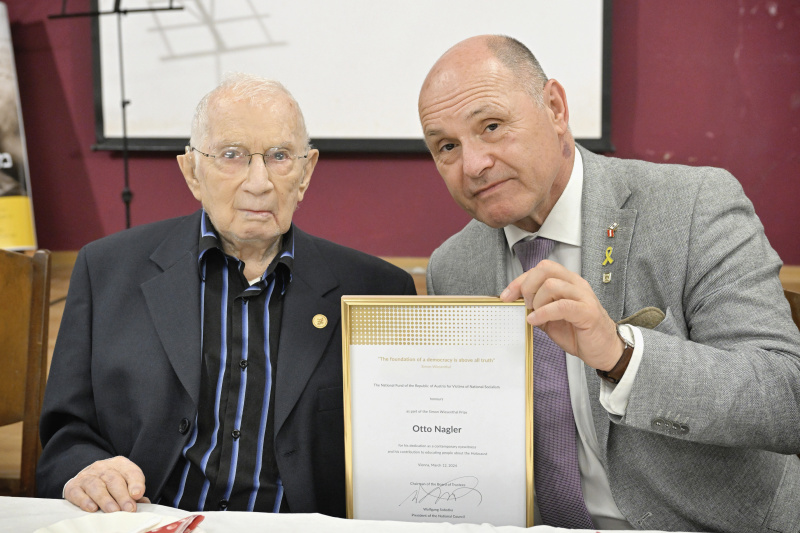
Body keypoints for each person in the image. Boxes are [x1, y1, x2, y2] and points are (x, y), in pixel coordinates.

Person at [418, 35, 800, 532]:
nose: (473, 165)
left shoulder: (694, 206)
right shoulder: (453, 266)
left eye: (491, 126)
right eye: (447, 146)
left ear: (555, 107)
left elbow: (786, 399)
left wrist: (621, 356)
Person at [37, 73, 416, 517]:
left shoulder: (376, 291)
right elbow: (66, 431)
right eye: (231, 156)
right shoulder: (106, 271)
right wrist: (88, 469)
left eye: (279, 156)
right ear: (191, 171)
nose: (259, 182)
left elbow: (400, 449)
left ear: (306, 171)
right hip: (146, 519)